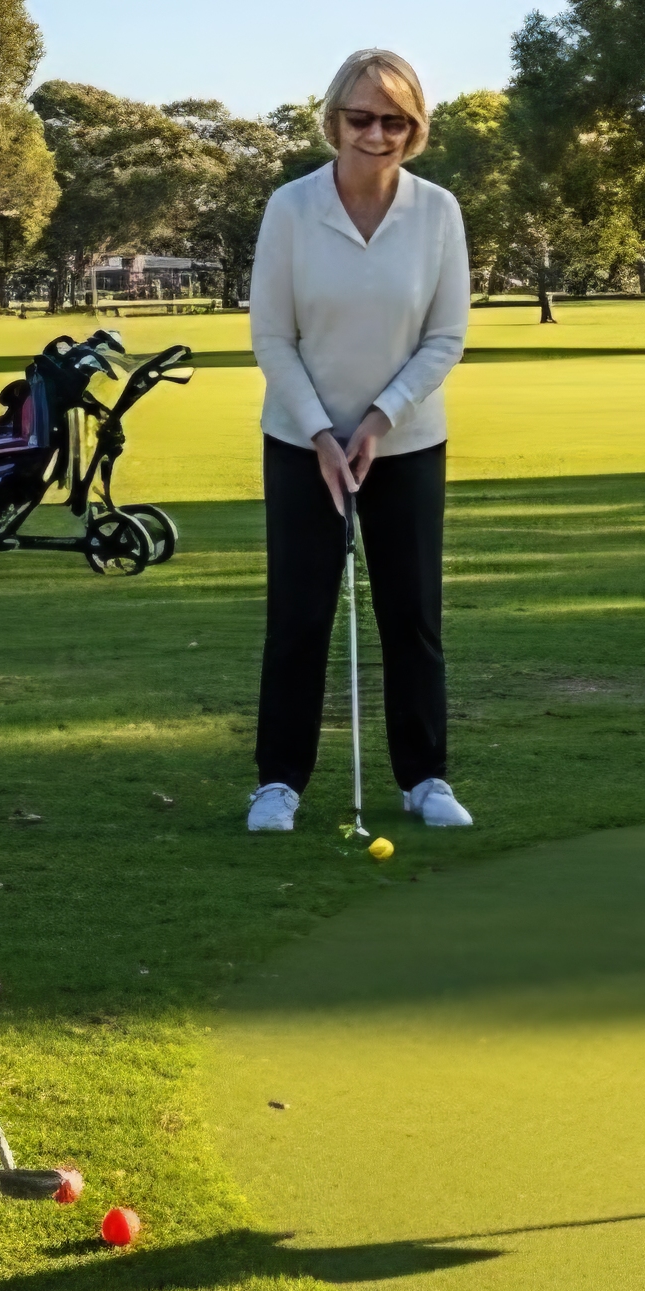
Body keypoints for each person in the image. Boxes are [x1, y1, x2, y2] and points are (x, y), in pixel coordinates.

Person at [245, 48, 473, 834]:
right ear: (334, 120)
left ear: (414, 128)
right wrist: (320, 431)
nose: (376, 135)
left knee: (410, 612)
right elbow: (273, 337)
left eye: (395, 121)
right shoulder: (291, 207)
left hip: (406, 443)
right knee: (300, 616)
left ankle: (424, 778)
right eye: (361, 118)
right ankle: (279, 782)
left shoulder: (438, 211)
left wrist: (377, 422)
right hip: (299, 439)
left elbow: (445, 337)